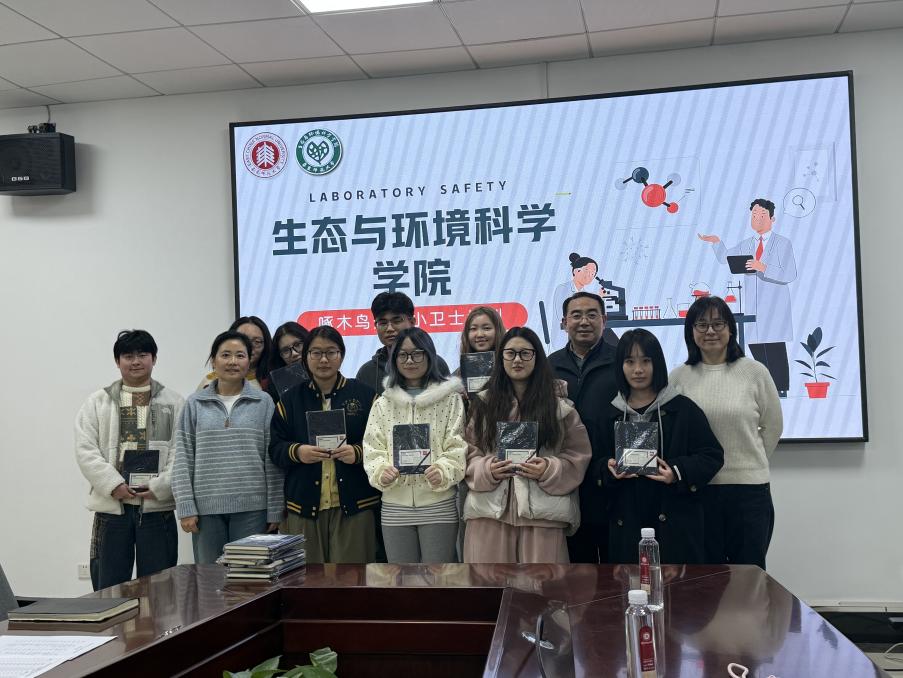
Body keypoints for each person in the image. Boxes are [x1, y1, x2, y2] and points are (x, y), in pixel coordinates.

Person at [670, 296, 782, 569]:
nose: (710, 331)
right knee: (706, 578)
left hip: (749, 490)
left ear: (731, 329)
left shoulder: (754, 372)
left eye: (718, 324)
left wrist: (750, 460)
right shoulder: (678, 377)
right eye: (702, 325)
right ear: (691, 332)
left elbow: (772, 426)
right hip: (698, 490)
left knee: (749, 574)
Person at [463, 327, 591, 563]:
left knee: (543, 585)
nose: (517, 360)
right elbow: (468, 451)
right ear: (501, 358)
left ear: (537, 357)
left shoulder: (559, 407)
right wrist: (486, 469)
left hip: (543, 516)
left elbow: (578, 454)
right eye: (510, 353)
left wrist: (549, 469)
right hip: (489, 513)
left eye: (525, 353)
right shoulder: (483, 404)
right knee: (487, 583)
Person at [599, 329, 723, 564]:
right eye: (630, 361)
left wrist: (676, 471)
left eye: (646, 361)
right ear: (620, 366)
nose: (638, 369)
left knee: (677, 585)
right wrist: (608, 468)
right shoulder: (609, 413)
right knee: (629, 583)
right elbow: (595, 461)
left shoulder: (683, 409)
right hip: (626, 520)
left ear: (657, 363)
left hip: (675, 523)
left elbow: (712, 455)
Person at [75, 330, 185, 590]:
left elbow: (181, 452)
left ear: (154, 358)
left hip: (156, 508)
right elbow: (85, 449)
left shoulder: (175, 402)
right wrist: (113, 484)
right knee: (109, 588)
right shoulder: (97, 402)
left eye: (142, 355)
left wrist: (159, 486)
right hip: (113, 508)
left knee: (160, 588)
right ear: (117, 361)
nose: (136, 361)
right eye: (128, 356)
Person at [269, 326, 380, 564]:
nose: (323, 359)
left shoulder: (365, 395)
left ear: (342, 355)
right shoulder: (290, 399)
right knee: (306, 579)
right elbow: (275, 448)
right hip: (304, 505)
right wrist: (297, 452)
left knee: (352, 579)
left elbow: (383, 444)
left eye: (331, 352)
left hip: (355, 505)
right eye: (316, 353)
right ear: (306, 356)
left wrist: (358, 452)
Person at [173, 330, 284, 565]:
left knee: (249, 578)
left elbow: (271, 459)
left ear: (249, 361)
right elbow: (183, 457)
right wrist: (185, 507)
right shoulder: (195, 403)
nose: (233, 361)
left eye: (240, 355)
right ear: (213, 361)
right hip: (206, 511)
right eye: (225, 355)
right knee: (209, 579)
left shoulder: (263, 402)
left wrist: (275, 508)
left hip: (253, 509)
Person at [363, 327, 466, 563]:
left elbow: (457, 445)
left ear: (429, 355)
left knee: (438, 578)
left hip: (438, 503)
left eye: (417, 353)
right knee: (402, 578)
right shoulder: (383, 403)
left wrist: (443, 470)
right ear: (394, 359)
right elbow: (372, 448)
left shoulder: (450, 400)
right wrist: (381, 471)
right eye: (403, 355)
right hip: (394, 505)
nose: (409, 361)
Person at [698, 198, 798, 397]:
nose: (757, 219)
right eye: (754, 215)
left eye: (762, 215)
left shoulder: (782, 243)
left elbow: (790, 274)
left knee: (774, 346)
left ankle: (781, 389)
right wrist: (716, 243)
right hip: (754, 304)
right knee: (756, 344)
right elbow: (726, 257)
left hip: (775, 305)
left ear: (772, 219)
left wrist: (763, 267)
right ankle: (766, 388)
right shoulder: (747, 244)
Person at [548, 291, 618, 563]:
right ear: (564, 322)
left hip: (612, 478)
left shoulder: (621, 361)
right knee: (577, 573)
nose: (584, 321)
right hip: (567, 482)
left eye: (592, 314)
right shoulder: (549, 365)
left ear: (604, 320)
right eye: (576, 315)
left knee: (617, 571)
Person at [454, 306, 506, 558]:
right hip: (470, 460)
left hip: (502, 456)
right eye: (473, 329)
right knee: (471, 528)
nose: (480, 334)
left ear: (498, 331)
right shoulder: (456, 376)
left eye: (487, 327)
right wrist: (460, 399)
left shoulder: (510, 368)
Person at [356, 292, 449, 395]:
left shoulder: (436, 363)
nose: (389, 328)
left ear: (412, 322)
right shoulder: (367, 372)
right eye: (383, 323)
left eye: (397, 321)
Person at [550, 252, 622, 349]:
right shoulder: (562, 289)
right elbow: (562, 315)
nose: (590, 276)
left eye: (593, 274)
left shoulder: (585, 293)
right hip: (566, 336)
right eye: (587, 271)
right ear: (576, 271)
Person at [198, 316, 273, 392]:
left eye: (257, 342)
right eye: (241, 339)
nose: (249, 346)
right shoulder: (209, 381)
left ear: (266, 345)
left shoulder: (271, 381)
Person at [267, 321, 310, 401]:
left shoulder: (326, 370)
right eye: (285, 350)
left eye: (298, 345)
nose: (294, 353)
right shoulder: (276, 386)